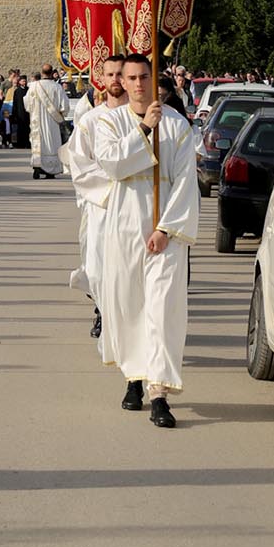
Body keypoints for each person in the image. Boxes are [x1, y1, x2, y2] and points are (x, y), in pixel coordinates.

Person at [90, 52, 199, 428]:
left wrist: (165, 229)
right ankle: (133, 378)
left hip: (164, 231)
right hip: (124, 227)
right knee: (129, 305)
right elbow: (112, 164)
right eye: (131, 77)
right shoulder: (110, 121)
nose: (137, 84)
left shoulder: (177, 125)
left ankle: (159, 394)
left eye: (143, 77)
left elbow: (186, 180)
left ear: (154, 80)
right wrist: (143, 132)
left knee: (162, 309)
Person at [63, 55, 129, 345]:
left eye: (120, 74)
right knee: (99, 266)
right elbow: (79, 165)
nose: (115, 79)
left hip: (133, 209)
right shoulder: (90, 120)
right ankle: (102, 310)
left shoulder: (139, 118)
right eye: (110, 74)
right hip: (101, 206)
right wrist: (112, 187)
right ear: (101, 79)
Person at [24, 67, 69, 180]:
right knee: (51, 145)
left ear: (42, 73)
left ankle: (37, 168)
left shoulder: (34, 86)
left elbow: (27, 103)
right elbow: (64, 107)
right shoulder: (57, 87)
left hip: (37, 122)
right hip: (52, 123)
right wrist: (61, 114)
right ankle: (51, 171)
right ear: (51, 73)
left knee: (39, 144)